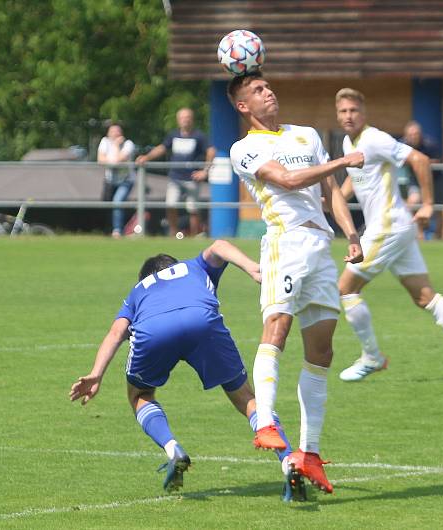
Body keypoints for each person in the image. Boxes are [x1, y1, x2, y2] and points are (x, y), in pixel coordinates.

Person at [69, 240, 306, 501]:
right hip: (201, 321)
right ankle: (288, 460)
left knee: (140, 395)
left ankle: (173, 449)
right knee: (246, 398)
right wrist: (250, 267)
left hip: (154, 330)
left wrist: (96, 374)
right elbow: (219, 246)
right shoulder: (194, 267)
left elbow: (116, 333)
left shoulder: (138, 290)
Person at [228, 72, 364, 495]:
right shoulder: (245, 148)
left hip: (320, 248)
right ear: (243, 106)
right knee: (277, 328)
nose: (268, 92)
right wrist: (342, 162)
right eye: (257, 90)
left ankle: (309, 453)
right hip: (284, 243)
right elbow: (286, 181)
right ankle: (265, 422)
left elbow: (330, 192)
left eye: (268, 86)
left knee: (322, 350)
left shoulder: (306, 135)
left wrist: (352, 234)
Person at [334, 88, 443, 386]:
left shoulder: (375, 139)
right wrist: (332, 200)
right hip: (398, 229)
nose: (348, 116)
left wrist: (429, 204)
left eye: (353, 110)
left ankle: (371, 356)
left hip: (388, 227)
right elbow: (353, 183)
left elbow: (419, 159)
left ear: (363, 113)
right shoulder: (348, 142)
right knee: (423, 296)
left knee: (345, 288)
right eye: (343, 111)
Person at [135, 108, 214, 237]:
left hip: (192, 179)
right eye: (182, 118)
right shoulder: (173, 135)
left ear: (192, 119)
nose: (185, 120)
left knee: (193, 208)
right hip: (175, 178)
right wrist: (146, 157)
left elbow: (211, 151)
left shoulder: (199, 136)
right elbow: (162, 148)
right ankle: (174, 233)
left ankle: (195, 235)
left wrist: (205, 171)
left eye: (188, 117)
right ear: (178, 120)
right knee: (171, 205)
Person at [400, 121, 443, 240]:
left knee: (438, 209)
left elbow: (438, 161)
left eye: (416, 134)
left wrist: (420, 162)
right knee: (414, 202)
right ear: (406, 135)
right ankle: (418, 234)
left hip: (435, 180)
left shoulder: (430, 144)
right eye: (410, 135)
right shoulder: (402, 145)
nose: (413, 137)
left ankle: (438, 237)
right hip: (415, 180)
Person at [97, 124, 136, 239]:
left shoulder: (128, 144)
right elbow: (100, 160)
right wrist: (112, 160)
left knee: (117, 202)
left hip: (126, 180)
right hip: (109, 180)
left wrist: (115, 145)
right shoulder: (104, 141)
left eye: (117, 131)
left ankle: (117, 231)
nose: (115, 133)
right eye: (112, 131)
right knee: (108, 205)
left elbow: (119, 160)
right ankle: (108, 230)